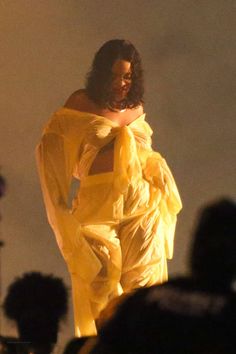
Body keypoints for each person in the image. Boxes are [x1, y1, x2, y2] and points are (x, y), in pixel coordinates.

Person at [36, 39, 182, 337]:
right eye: (115, 76)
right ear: (102, 75)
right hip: (98, 205)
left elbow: (144, 151)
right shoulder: (80, 103)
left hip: (144, 204)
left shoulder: (136, 107)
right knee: (101, 282)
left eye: (127, 76)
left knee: (143, 288)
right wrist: (61, 214)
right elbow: (51, 155)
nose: (121, 83)